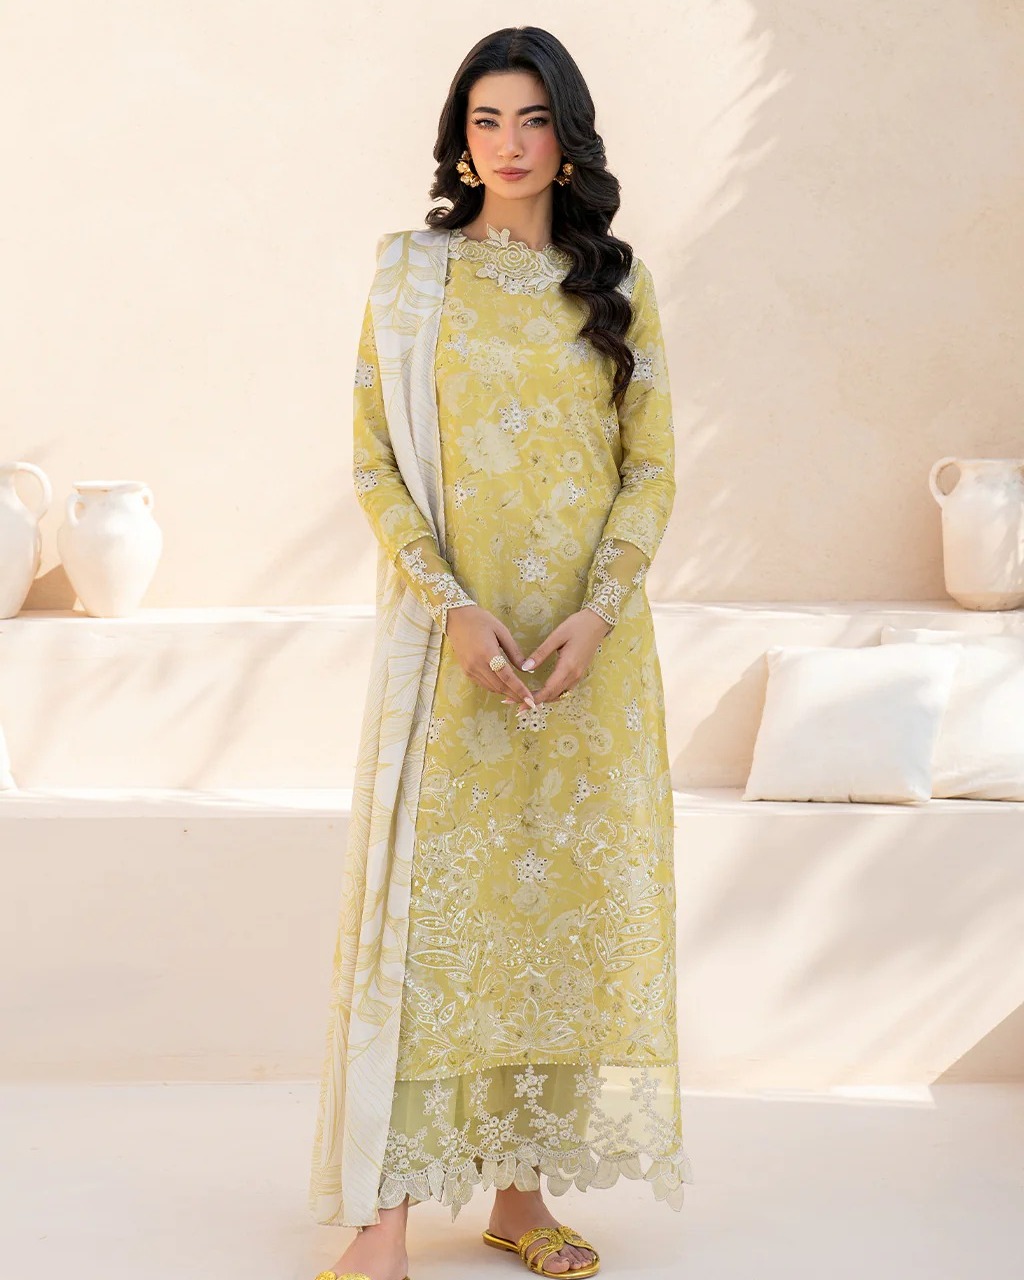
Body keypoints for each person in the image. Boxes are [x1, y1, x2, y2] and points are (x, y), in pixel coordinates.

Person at [308, 25, 693, 1280]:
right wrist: (450, 606)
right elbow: (375, 460)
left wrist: (602, 608)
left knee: (551, 919)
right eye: (486, 120)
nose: (510, 145)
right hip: (453, 650)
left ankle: (520, 1195)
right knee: (427, 920)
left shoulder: (616, 282)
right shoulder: (412, 276)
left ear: (568, 136)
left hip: (587, 657)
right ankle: (380, 1218)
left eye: (533, 119)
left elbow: (650, 468)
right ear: (459, 138)